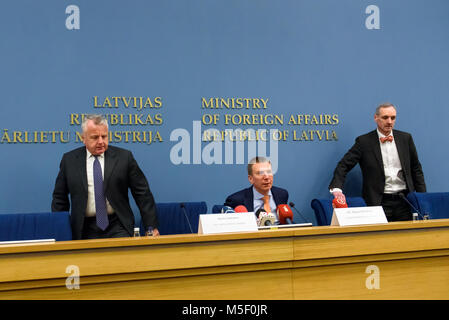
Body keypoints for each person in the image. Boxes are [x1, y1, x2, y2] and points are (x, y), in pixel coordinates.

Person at [51, 114, 159, 239]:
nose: (101, 141)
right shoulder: (69, 161)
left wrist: (151, 227)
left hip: (118, 225)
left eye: (104, 136)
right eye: (95, 137)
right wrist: (59, 230)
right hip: (83, 228)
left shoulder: (124, 158)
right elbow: (60, 198)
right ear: (83, 138)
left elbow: (142, 194)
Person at [328, 103, 426, 221]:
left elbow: (416, 169)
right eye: (385, 117)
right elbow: (343, 165)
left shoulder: (406, 138)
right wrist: (337, 189)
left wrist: (422, 198)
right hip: (378, 202)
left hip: (405, 200)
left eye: (393, 118)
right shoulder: (364, 142)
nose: (389, 121)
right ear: (376, 118)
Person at [224, 156, 288, 223]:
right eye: (260, 173)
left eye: (269, 172)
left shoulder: (282, 194)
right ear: (251, 179)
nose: (266, 177)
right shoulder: (236, 200)